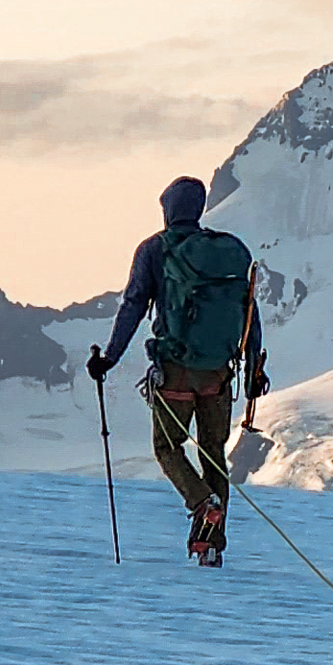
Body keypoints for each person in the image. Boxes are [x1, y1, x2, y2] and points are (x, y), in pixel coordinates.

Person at [87, 176, 270, 566]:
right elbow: (250, 314)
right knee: (213, 452)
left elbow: (134, 306)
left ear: (168, 209)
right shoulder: (231, 250)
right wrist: (254, 371)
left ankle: (202, 503)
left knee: (167, 447)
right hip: (219, 375)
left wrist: (110, 358)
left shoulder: (154, 249)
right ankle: (210, 546)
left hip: (175, 371)